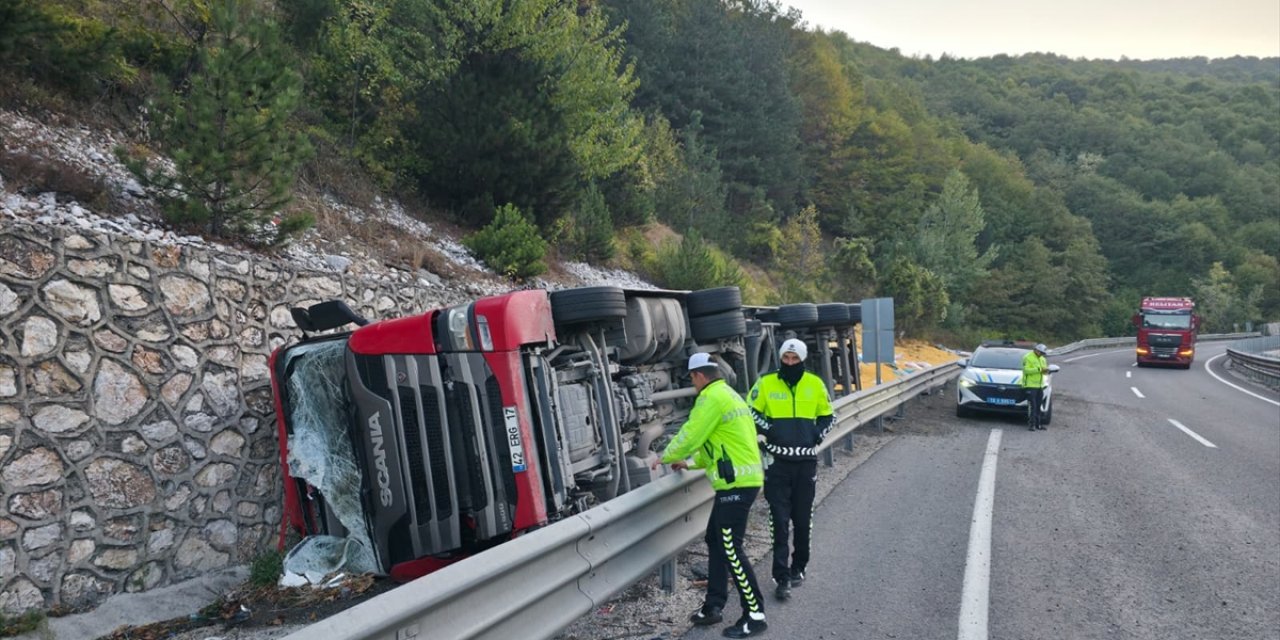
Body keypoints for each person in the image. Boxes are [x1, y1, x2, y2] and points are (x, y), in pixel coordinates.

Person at [652, 352, 768, 638]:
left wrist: (665, 456)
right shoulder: (728, 394)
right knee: (716, 539)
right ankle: (713, 606)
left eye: (691, 378)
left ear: (699, 376)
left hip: (736, 485)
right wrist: (690, 464)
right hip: (741, 480)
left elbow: (691, 434)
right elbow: (716, 444)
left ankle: (754, 615)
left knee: (730, 547)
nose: (692, 383)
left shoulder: (709, 398)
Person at [748, 338, 833, 602]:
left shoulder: (815, 384)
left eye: (795, 359)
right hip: (777, 464)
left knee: (803, 518)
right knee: (779, 520)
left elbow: (829, 415)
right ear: (780, 358)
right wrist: (770, 430)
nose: (790, 363)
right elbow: (750, 411)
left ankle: (800, 567)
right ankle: (781, 576)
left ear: (803, 360)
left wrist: (816, 434)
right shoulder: (766, 383)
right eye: (786, 358)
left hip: (806, 464)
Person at [1022, 343, 1049, 431]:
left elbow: (1044, 371)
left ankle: (1038, 425)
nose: (1041, 354)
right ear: (1036, 350)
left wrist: (1047, 371)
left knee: (1038, 405)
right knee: (1033, 405)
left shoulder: (1043, 359)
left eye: (1043, 353)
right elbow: (1026, 370)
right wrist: (1039, 370)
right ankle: (1031, 425)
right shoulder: (1027, 357)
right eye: (1040, 352)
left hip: (1039, 385)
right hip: (1030, 385)